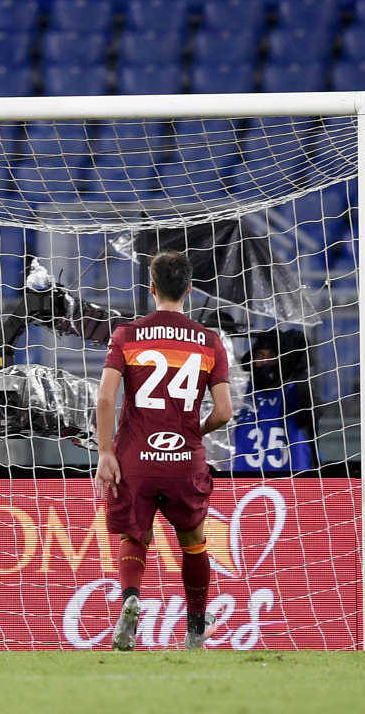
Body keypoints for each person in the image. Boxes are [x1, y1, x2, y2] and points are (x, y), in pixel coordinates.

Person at [94, 250, 232, 651]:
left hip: (135, 459)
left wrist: (106, 453)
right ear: (189, 289)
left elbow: (105, 399)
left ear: (151, 287)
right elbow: (223, 411)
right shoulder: (209, 341)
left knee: (134, 536)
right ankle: (194, 629)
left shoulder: (126, 334)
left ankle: (131, 599)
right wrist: (197, 431)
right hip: (183, 459)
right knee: (193, 541)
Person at [232, 329, 317, 471]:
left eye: (271, 356)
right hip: (243, 483)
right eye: (260, 356)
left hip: (294, 483)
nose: (265, 361)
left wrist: (300, 369)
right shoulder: (241, 393)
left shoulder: (295, 390)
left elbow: (312, 413)